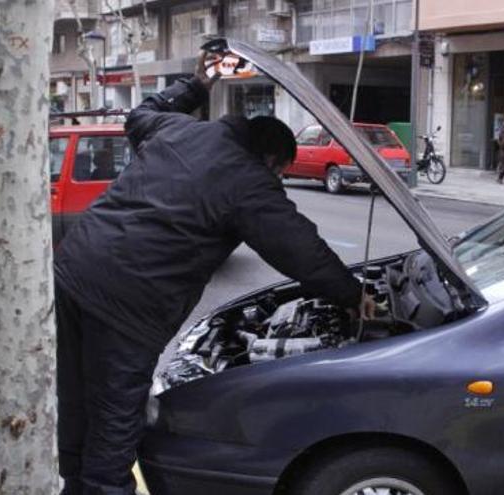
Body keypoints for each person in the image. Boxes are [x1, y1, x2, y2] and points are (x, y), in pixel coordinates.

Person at [54, 51, 374, 495]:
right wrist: (353, 295)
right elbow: (301, 249)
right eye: (280, 174)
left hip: (73, 269)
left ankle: (75, 485)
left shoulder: (178, 128)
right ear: (271, 160)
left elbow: (141, 113)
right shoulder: (248, 180)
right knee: (114, 414)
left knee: (76, 397)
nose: (278, 182)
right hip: (129, 301)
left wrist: (195, 86)